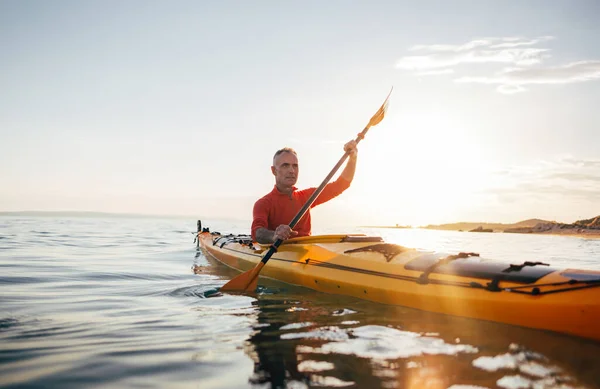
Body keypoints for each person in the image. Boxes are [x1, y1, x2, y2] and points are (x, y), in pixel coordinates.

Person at [251, 140, 358, 244]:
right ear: (274, 171)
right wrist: (274, 235)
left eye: (295, 166)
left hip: (306, 254)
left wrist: (352, 159)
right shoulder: (263, 203)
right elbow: (257, 233)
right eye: (285, 165)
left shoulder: (307, 197)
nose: (291, 170)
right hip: (279, 253)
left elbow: (341, 185)